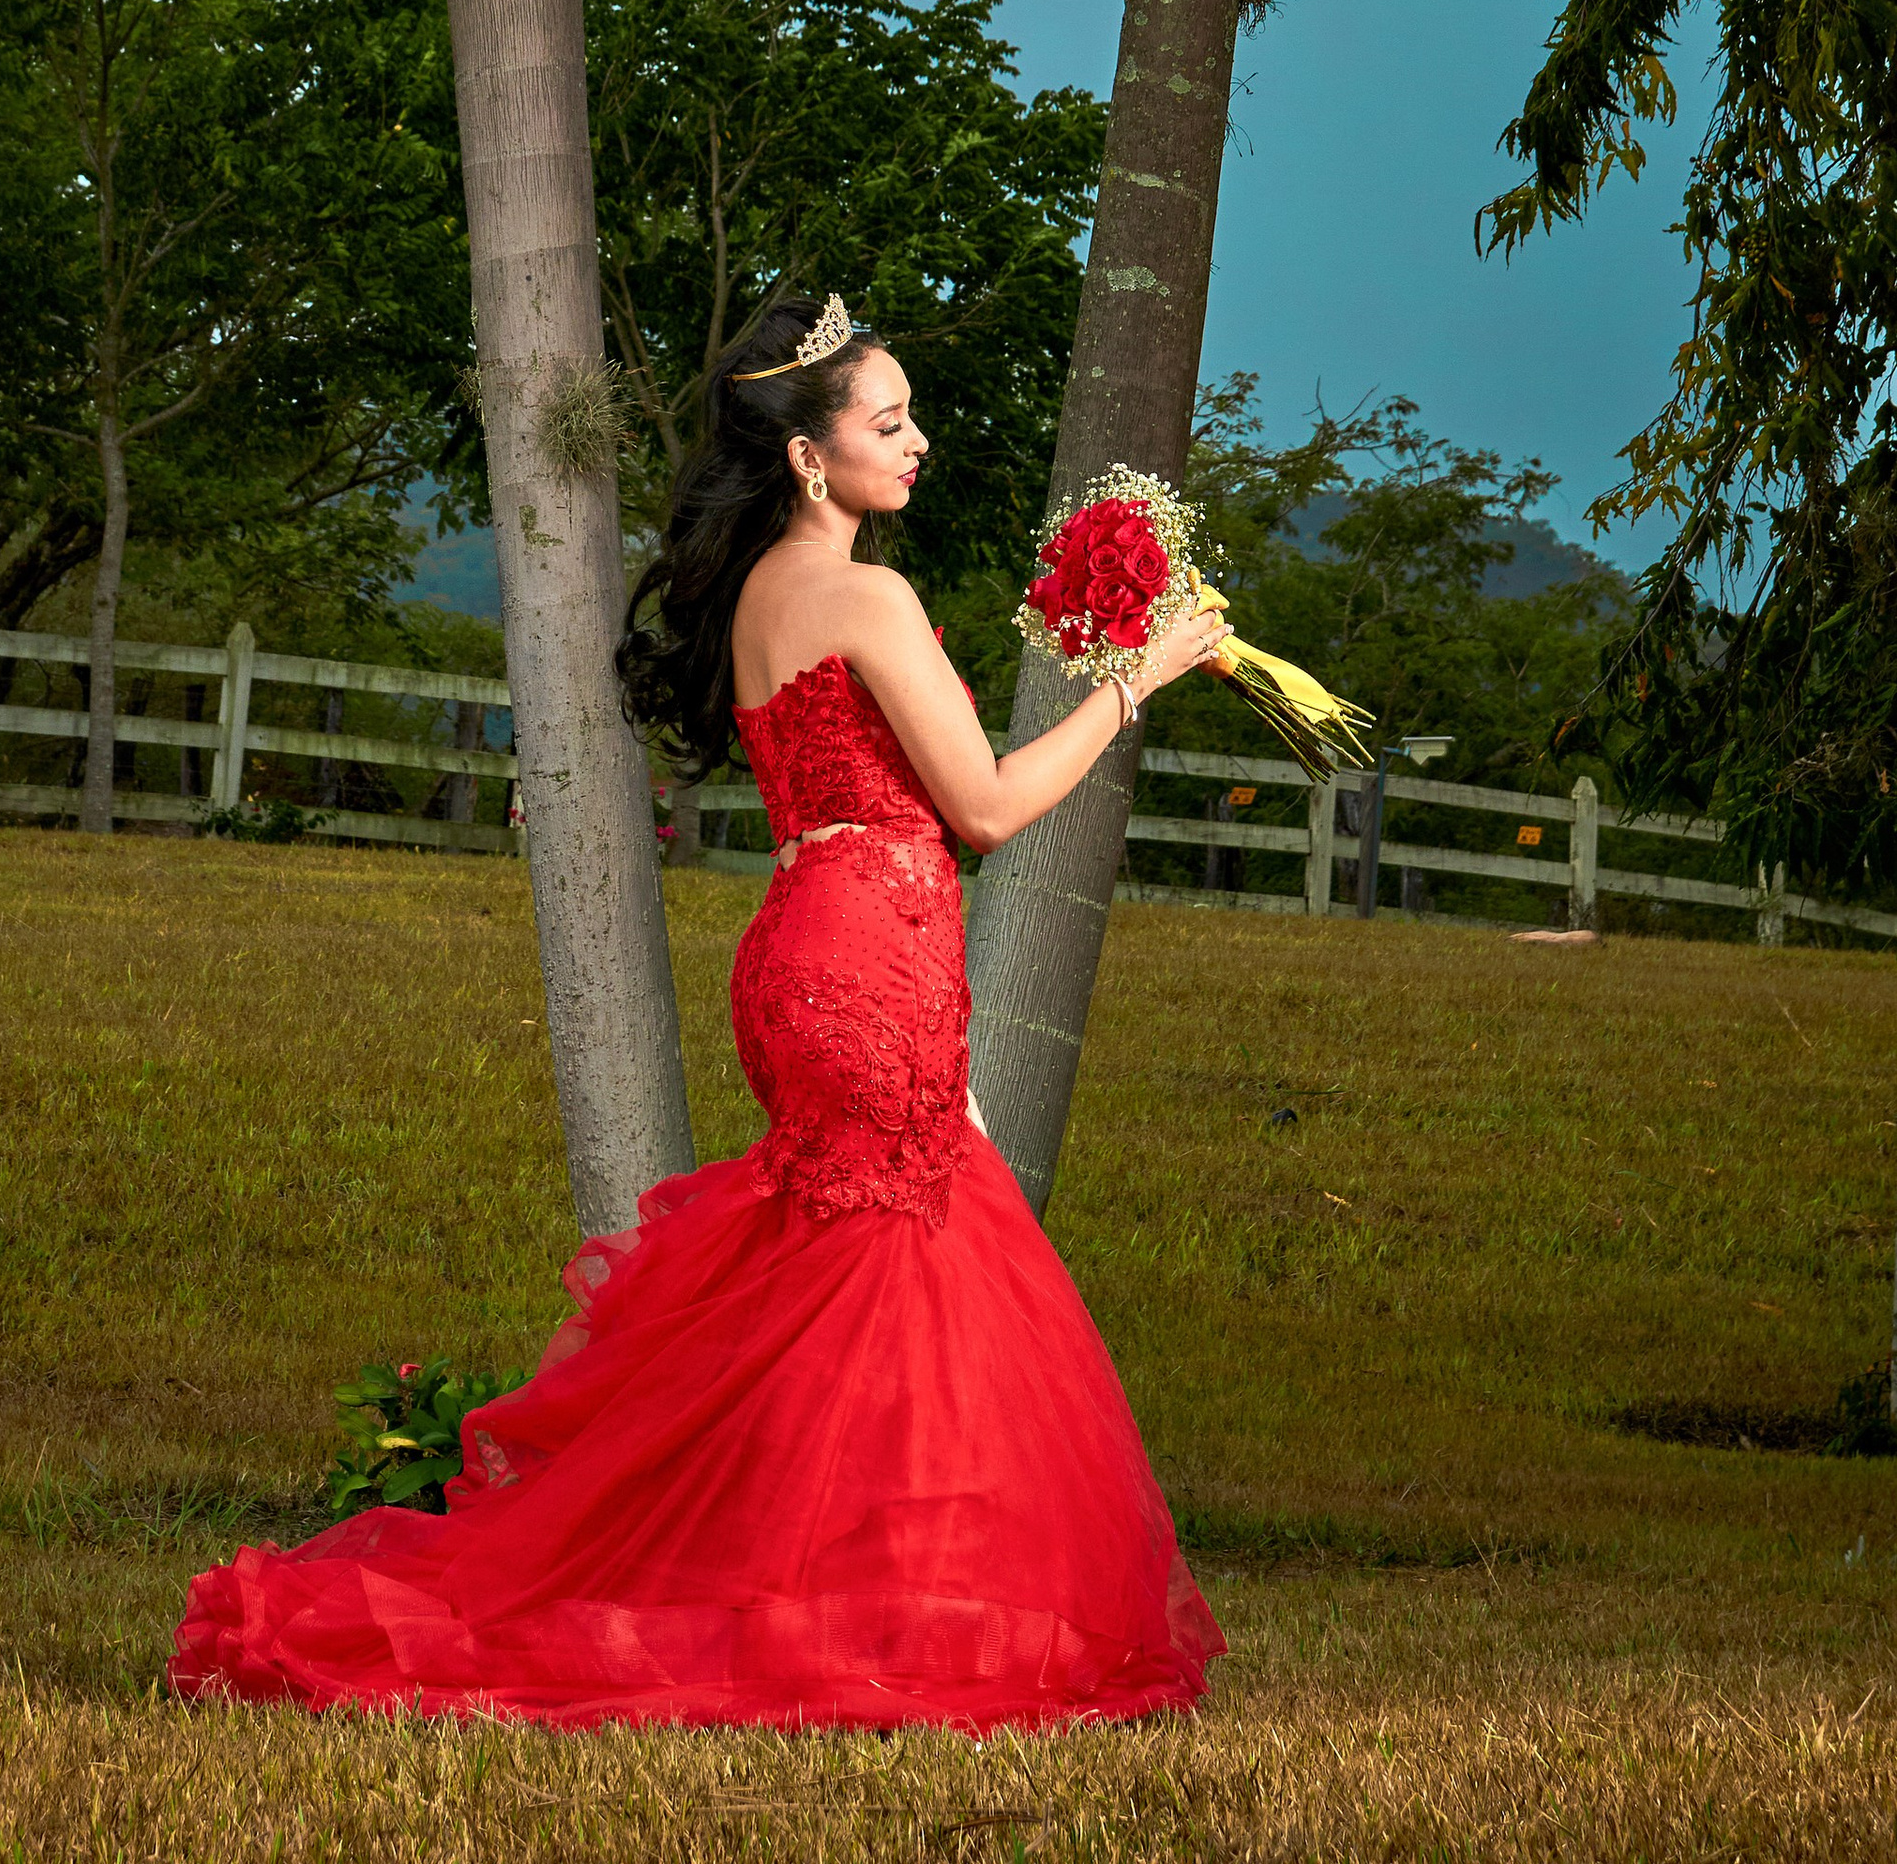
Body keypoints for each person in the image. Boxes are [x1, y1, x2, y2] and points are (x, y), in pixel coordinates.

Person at [171, 293, 1227, 1733]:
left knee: (833, 1281)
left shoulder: (761, 599)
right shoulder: (864, 596)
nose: (917, 440)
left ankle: (829, 1596)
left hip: (805, 942)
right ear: (807, 457)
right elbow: (982, 804)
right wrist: (1134, 681)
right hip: (870, 956)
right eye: (889, 420)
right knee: (900, 1274)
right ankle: (864, 1618)